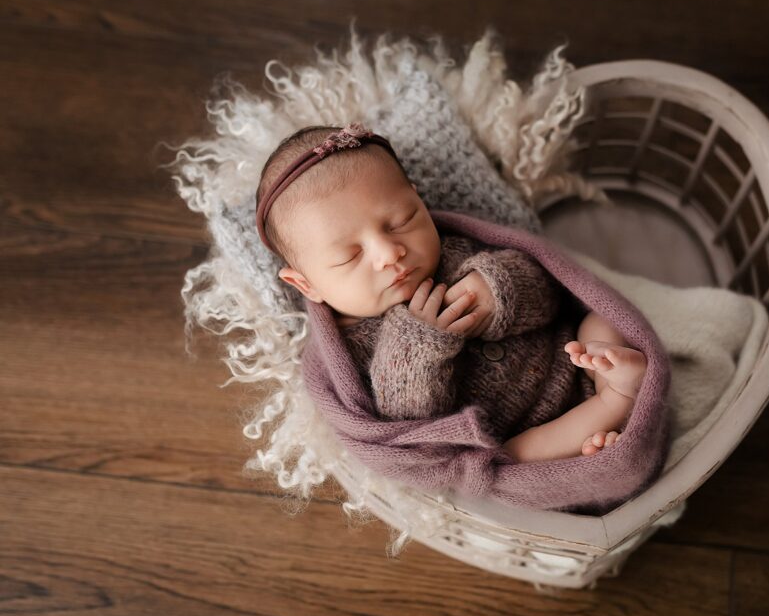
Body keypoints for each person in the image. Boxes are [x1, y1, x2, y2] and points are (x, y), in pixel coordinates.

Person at [255, 123, 648, 462]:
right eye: (350, 255)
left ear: (419, 199)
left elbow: (551, 291)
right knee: (507, 458)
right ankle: (617, 403)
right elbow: (417, 432)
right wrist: (417, 350)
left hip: (579, 361)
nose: (390, 253)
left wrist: (497, 290)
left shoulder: (456, 253)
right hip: (526, 434)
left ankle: (616, 394)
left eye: (402, 220)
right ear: (306, 284)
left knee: (601, 317)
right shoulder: (350, 352)